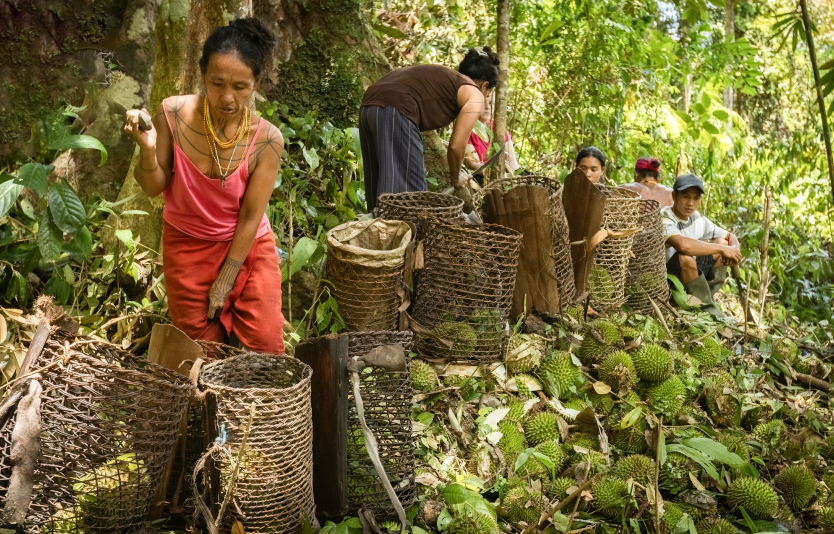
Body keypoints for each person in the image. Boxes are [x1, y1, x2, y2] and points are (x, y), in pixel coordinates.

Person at [123, 18, 285, 354]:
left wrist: (226, 277)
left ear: (255, 83)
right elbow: (153, 187)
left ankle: (261, 407)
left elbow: (252, 215)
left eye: (240, 87)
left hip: (246, 248)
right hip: (187, 249)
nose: (227, 97)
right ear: (202, 76)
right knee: (202, 355)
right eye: (217, 83)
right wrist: (148, 150)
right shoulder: (173, 113)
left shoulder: (267, 140)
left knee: (266, 346)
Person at [359, 47, 499, 211]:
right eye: (488, 94)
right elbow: (456, 146)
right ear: (484, 86)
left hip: (368, 107)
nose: (485, 99)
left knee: (380, 195)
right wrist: (455, 177)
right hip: (397, 109)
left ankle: (377, 232)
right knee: (411, 198)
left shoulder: (449, 78)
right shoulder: (475, 94)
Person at [662, 174, 743, 319]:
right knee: (685, 257)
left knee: (723, 243)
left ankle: (707, 300)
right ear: (674, 196)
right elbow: (682, 245)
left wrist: (734, 250)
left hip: (691, 273)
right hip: (669, 279)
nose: (691, 203)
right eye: (686, 197)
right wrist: (724, 249)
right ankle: (708, 312)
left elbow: (728, 236)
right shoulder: (665, 217)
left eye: (696, 198)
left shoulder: (697, 218)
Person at [464, 96, 520, 182]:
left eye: (491, 103)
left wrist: (517, 179)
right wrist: (496, 175)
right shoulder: (467, 128)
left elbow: (512, 161)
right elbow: (473, 164)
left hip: (504, 175)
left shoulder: (497, 126)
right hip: (483, 176)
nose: (487, 107)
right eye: (483, 103)